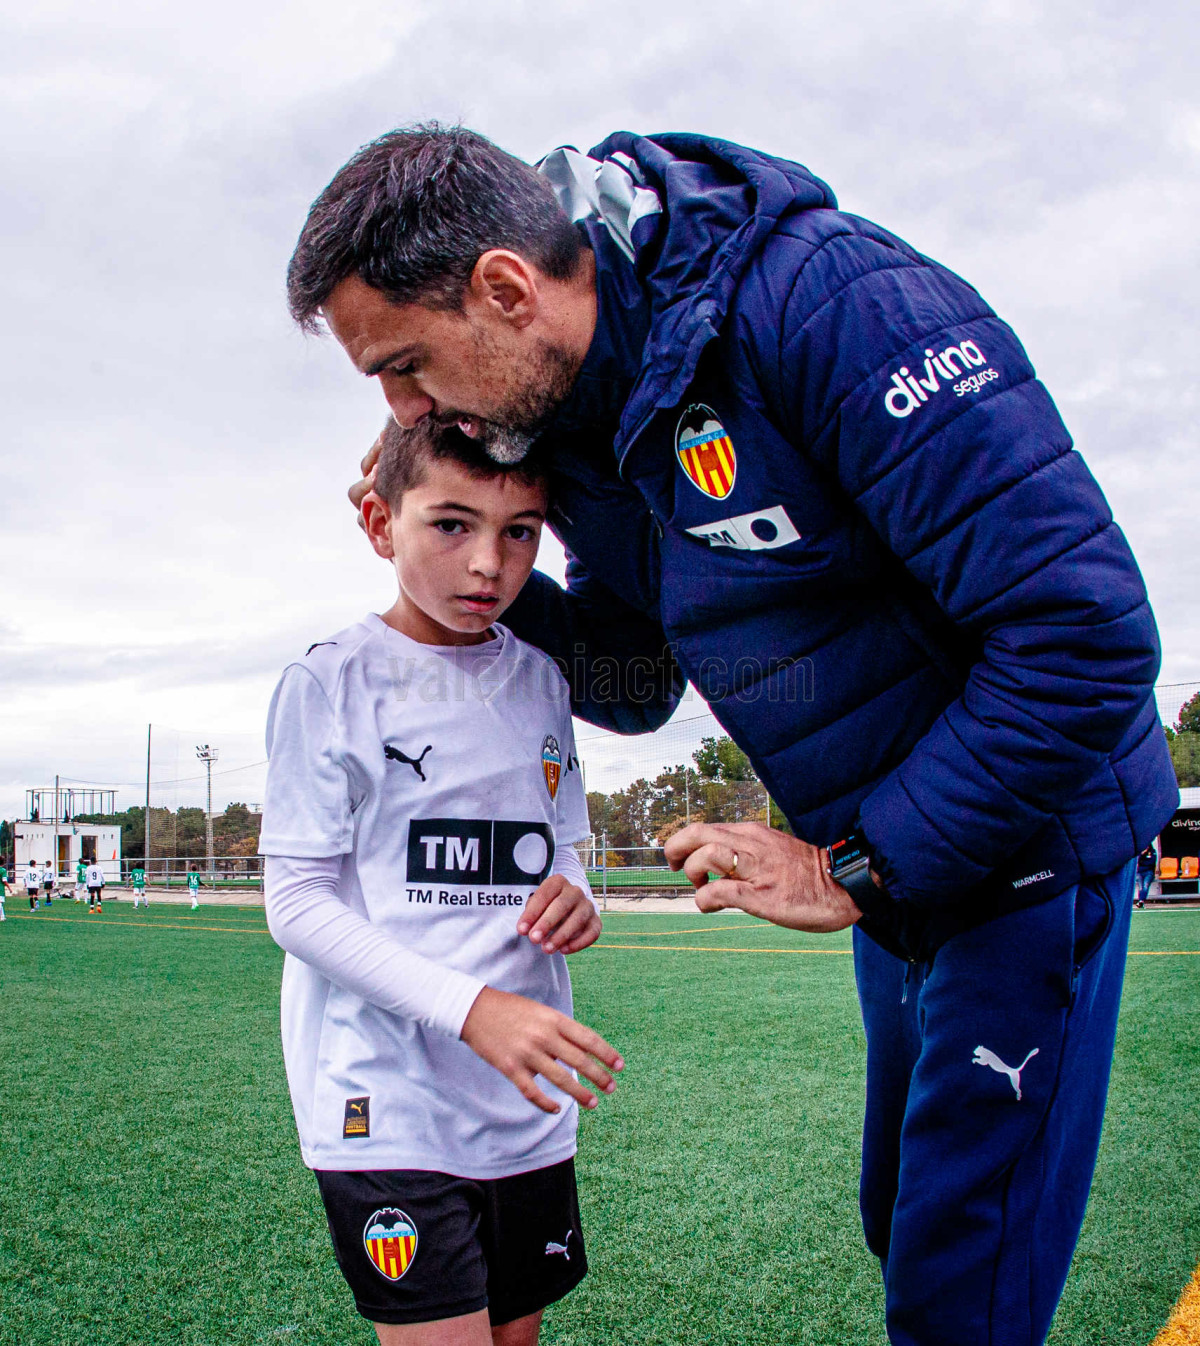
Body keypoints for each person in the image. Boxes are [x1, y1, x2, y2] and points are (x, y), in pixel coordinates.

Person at [287, 125, 1179, 1346]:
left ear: (504, 289)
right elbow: (636, 676)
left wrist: (852, 864)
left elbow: (1084, 636)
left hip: (1027, 842)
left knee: (963, 1280)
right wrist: (461, 573)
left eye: (404, 365)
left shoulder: (830, 305)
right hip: (906, 869)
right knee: (905, 1216)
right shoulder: (576, 419)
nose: (404, 408)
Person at [259, 418, 623, 1346]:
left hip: (520, 1097)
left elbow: (563, 845)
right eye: (452, 524)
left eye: (520, 531)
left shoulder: (542, 680)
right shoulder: (331, 682)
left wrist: (577, 894)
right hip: (385, 1097)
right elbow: (295, 903)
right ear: (381, 524)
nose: (489, 564)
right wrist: (473, 1010)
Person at [1134, 844, 1157, 908]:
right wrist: (1142, 855)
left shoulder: (1153, 852)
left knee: (1145, 886)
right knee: (1141, 887)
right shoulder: (1140, 852)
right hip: (1140, 872)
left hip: (1148, 872)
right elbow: (1137, 861)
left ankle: (1141, 901)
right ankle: (1141, 901)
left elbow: (1152, 862)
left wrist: (1143, 862)